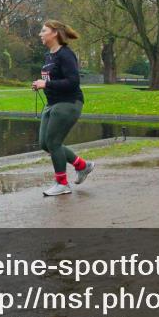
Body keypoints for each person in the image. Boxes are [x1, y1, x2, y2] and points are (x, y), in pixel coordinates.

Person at [36, 21, 95, 196]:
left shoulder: (66, 54)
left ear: (54, 33)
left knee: (53, 142)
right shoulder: (49, 56)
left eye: (43, 31)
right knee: (45, 143)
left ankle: (62, 184)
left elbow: (73, 82)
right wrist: (43, 85)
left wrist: (46, 83)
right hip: (52, 104)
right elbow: (53, 80)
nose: (40, 34)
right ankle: (83, 166)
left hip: (69, 103)